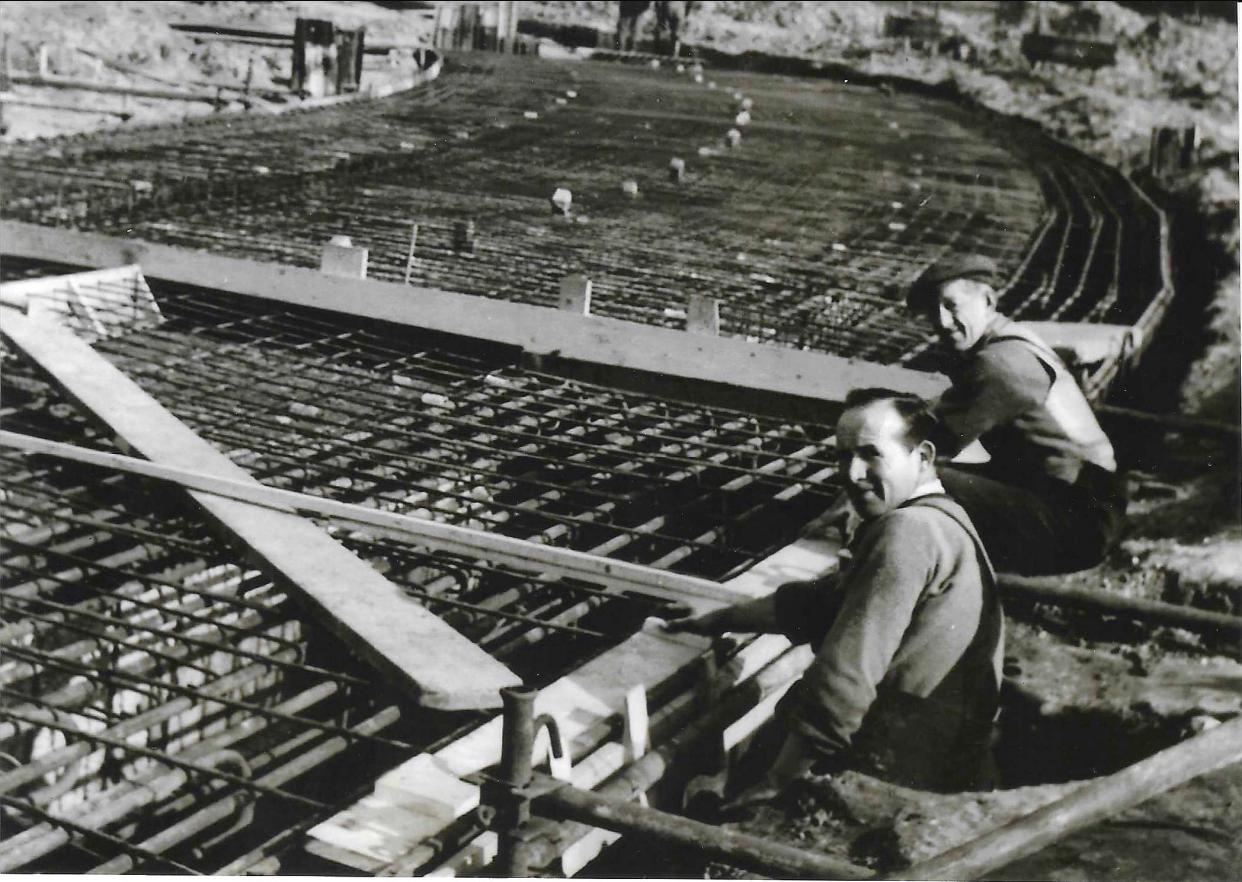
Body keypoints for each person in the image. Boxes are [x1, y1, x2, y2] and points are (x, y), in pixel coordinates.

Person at [667, 389, 1004, 800]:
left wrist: (778, 783)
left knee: (748, 781)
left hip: (906, 757)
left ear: (924, 456)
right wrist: (719, 619)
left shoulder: (907, 531)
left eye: (871, 454)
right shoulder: (941, 518)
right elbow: (824, 602)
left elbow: (846, 675)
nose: (853, 473)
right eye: (843, 456)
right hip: (949, 741)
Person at [905, 255, 1127, 575]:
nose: (942, 321)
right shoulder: (1012, 339)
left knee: (918, 478)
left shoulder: (1001, 365)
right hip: (1082, 501)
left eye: (952, 306)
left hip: (1080, 524)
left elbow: (935, 441)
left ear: (988, 300)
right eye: (932, 311)